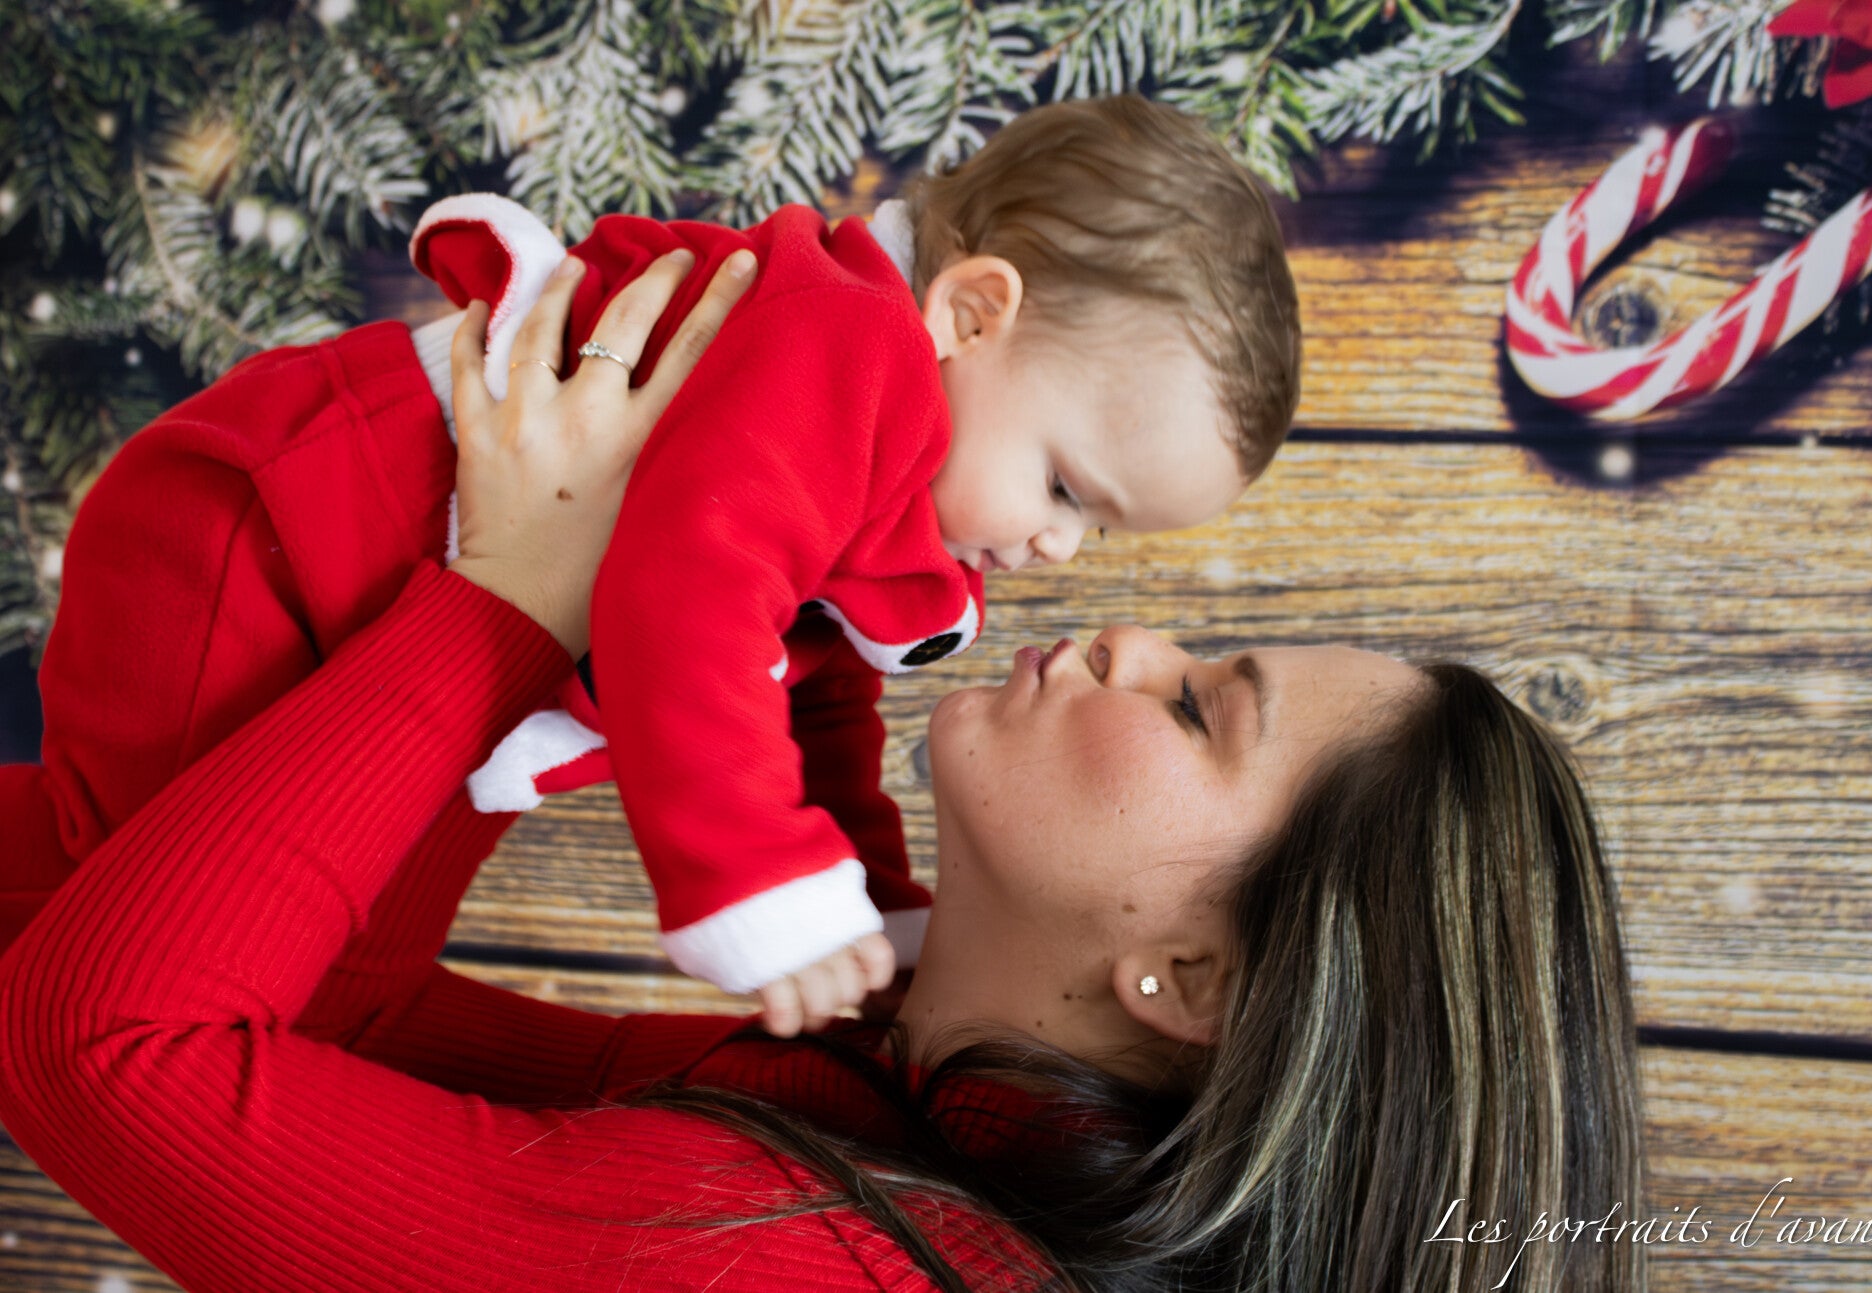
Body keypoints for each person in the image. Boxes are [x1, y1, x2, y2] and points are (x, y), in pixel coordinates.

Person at [0, 227, 1645, 1292]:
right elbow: (332, 1016)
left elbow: (103, 1043)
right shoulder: (882, 1098)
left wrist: (513, 598)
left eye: (1196, 709)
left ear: (1191, 976)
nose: (1124, 634)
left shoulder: (787, 1261)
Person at [5, 94, 1303, 1033]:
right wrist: (758, 878)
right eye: (1068, 487)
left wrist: (864, 900)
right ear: (971, 313)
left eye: (1097, 528)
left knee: (316, 960)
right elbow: (686, 601)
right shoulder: (845, 351)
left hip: (350, 614)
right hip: (252, 540)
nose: (1058, 546)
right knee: (142, 905)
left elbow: (809, 702)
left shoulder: (880, 477)